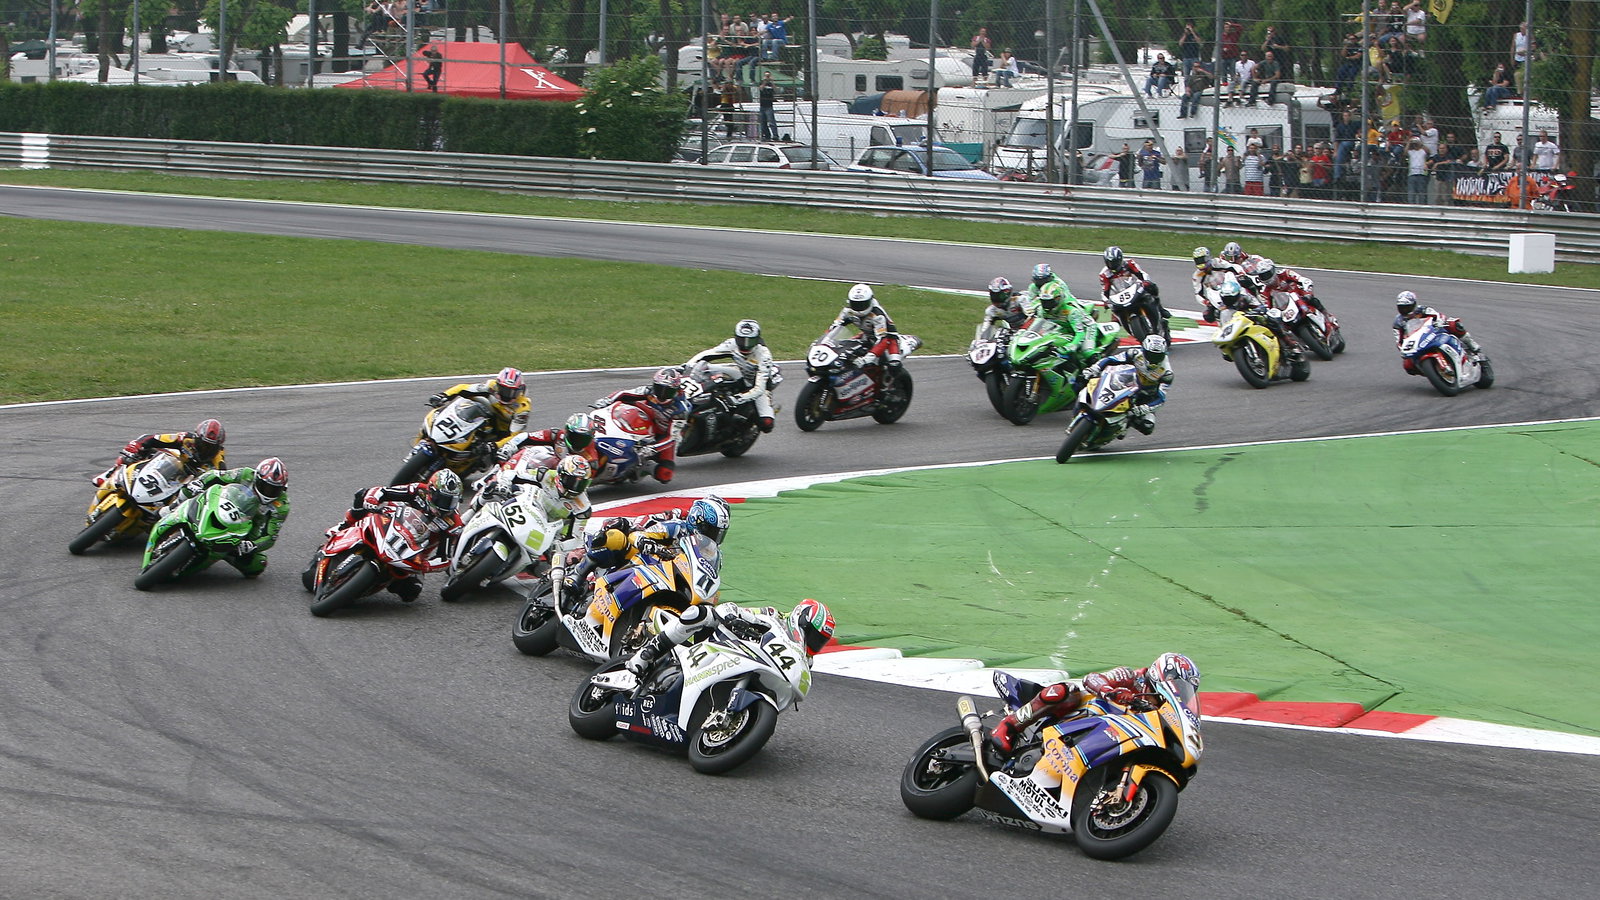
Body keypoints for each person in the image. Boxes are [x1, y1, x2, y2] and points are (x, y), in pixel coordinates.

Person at [987, 653, 1200, 753]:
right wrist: (1111, 692)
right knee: (1066, 692)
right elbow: (1092, 678)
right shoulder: (1132, 677)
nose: (1178, 691)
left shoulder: (1161, 711)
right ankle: (1008, 726)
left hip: (1105, 739)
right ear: (1162, 675)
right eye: (1177, 683)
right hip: (1079, 713)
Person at [328, 469, 462, 600]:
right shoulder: (418, 490)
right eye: (443, 499)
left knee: (411, 592)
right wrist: (372, 499)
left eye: (452, 501)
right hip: (389, 525)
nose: (447, 506)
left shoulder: (452, 523)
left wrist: (426, 565)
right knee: (361, 495)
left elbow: (444, 558)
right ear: (431, 491)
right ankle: (344, 526)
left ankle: (371, 583)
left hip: (412, 553)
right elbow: (384, 491)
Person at [625, 597, 836, 676]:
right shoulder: (773, 616)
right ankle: (648, 652)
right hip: (721, 642)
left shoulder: (804, 661)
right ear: (801, 620)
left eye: (821, 641)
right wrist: (734, 618)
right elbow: (732, 608)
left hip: (748, 665)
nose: (815, 644)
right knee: (700, 613)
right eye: (815, 636)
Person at [173, 458, 290, 578]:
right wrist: (200, 482)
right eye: (266, 487)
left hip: (246, 529)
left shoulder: (281, 506)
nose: (269, 492)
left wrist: (252, 545)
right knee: (188, 489)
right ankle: (171, 509)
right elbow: (216, 475)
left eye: (275, 489)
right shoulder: (245, 474)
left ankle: (221, 554)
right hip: (223, 505)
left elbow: (270, 537)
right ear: (257, 478)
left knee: (257, 565)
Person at [591, 367, 693, 483]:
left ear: (676, 389)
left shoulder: (680, 409)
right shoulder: (649, 391)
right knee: (623, 403)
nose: (661, 395)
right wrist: (606, 400)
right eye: (659, 388)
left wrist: (652, 449)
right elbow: (624, 393)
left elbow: (672, 437)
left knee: (665, 474)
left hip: (662, 434)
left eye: (668, 391)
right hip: (645, 418)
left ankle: (643, 466)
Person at [685, 318, 780, 433]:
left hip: (757, 384)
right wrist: (687, 366)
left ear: (757, 339)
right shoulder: (731, 343)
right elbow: (708, 354)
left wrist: (737, 399)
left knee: (766, 424)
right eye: (741, 340)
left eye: (749, 341)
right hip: (739, 372)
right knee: (703, 368)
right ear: (736, 337)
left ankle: (751, 423)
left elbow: (759, 389)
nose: (745, 345)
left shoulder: (764, 355)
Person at [480, 453, 593, 544]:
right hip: (528, 508)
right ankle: (471, 514)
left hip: (548, 532)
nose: (575, 487)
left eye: (581, 483)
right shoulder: (547, 475)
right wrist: (504, 485)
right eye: (572, 481)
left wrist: (561, 545)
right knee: (492, 489)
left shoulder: (583, 507)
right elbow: (513, 474)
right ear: (561, 476)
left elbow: (575, 537)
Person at [1076, 335, 1174, 436]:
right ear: (1144, 350)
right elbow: (1110, 359)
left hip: (1144, 397)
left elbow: (1161, 398)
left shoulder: (1167, 374)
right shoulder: (1134, 353)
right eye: (1151, 354)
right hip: (1124, 381)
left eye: (1158, 356)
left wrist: (1146, 407)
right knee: (1082, 379)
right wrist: (1094, 369)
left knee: (1147, 427)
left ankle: (1125, 423)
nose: (1154, 359)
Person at [426, 366, 532, 448]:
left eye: (512, 392)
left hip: (501, 433)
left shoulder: (522, 407)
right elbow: (463, 388)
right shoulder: (491, 386)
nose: (507, 395)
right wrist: (443, 395)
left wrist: (496, 445)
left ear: (520, 390)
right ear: (498, 385)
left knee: (503, 456)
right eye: (504, 390)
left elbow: (515, 436)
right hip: (483, 419)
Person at [826, 283, 908, 379]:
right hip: (867, 335)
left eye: (862, 304)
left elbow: (883, 340)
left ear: (870, 301)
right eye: (855, 304)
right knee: (845, 352)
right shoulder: (847, 310)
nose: (859, 308)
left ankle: (889, 384)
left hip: (889, 339)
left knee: (894, 365)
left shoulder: (877, 315)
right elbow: (835, 327)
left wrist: (866, 359)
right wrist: (825, 342)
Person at [1214, 274, 1304, 360]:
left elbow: (1260, 305)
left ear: (1237, 295)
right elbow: (1222, 327)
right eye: (1226, 298)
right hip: (1237, 328)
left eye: (1231, 298)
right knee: (1227, 353)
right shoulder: (1221, 310)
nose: (1228, 300)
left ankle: (1289, 342)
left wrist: (1256, 311)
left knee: (1272, 318)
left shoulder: (1245, 298)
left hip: (1252, 319)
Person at [1394, 291, 1485, 359]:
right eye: (1402, 307)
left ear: (1414, 304)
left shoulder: (1422, 309)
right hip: (1417, 343)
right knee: (1408, 365)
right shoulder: (1398, 322)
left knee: (1453, 324)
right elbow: (1399, 341)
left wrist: (1439, 321)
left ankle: (1472, 345)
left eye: (1407, 307)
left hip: (1433, 332)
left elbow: (1438, 315)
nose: (1405, 310)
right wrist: (1403, 349)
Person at [115, 418, 227, 474]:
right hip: (167, 470)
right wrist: (135, 447)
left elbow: (223, 476)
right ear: (196, 437)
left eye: (210, 446)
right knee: (135, 455)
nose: (205, 448)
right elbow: (151, 438)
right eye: (203, 444)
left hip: (186, 485)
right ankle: (112, 474)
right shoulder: (185, 438)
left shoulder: (218, 456)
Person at [496, 412, 599, 470]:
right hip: (540, 468)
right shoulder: (557, 434)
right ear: (567, 432)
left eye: (583, 438)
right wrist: (509, 446)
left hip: (555, 483)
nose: (578, 441)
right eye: (575, 436)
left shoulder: (591, 460)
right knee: (537, 450)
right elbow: (527, 436)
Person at [1098, 246, 1166, 319]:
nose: (1112, 265)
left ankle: (1160, 309)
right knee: (1115, 312)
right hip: (1120, 295)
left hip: (1135, 288)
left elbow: (1142, 274)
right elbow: (1105, 291)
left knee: (1152, 287)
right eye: (1110, 263)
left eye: (1114, 262)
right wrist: (1106, 301)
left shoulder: (1129, 263)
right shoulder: (1104, 274)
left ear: (1120, 259)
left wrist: (1146, 281)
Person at [975, 276, 1029, 342]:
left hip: (1033, 331)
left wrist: (1023, 330)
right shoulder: (992, 311)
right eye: (993, 295)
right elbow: (985, 328)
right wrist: (982, 341)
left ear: (1007, 293)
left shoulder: (1020, 300)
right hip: (1016, 334)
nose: (996, 298)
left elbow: (1033, 317)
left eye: (999, 296)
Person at [757, 72, 778, 142]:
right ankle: (767, 135)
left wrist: (772, 82)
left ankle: (775, 135)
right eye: (766, 76)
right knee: (763, 122)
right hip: (762, 105)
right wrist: (764, 82)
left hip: (769, 106)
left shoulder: (771, 84)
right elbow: (760, 89)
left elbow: (776, 90)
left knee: (771, 121)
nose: (767, 77)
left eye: (768, 76)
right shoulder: (761, 83)